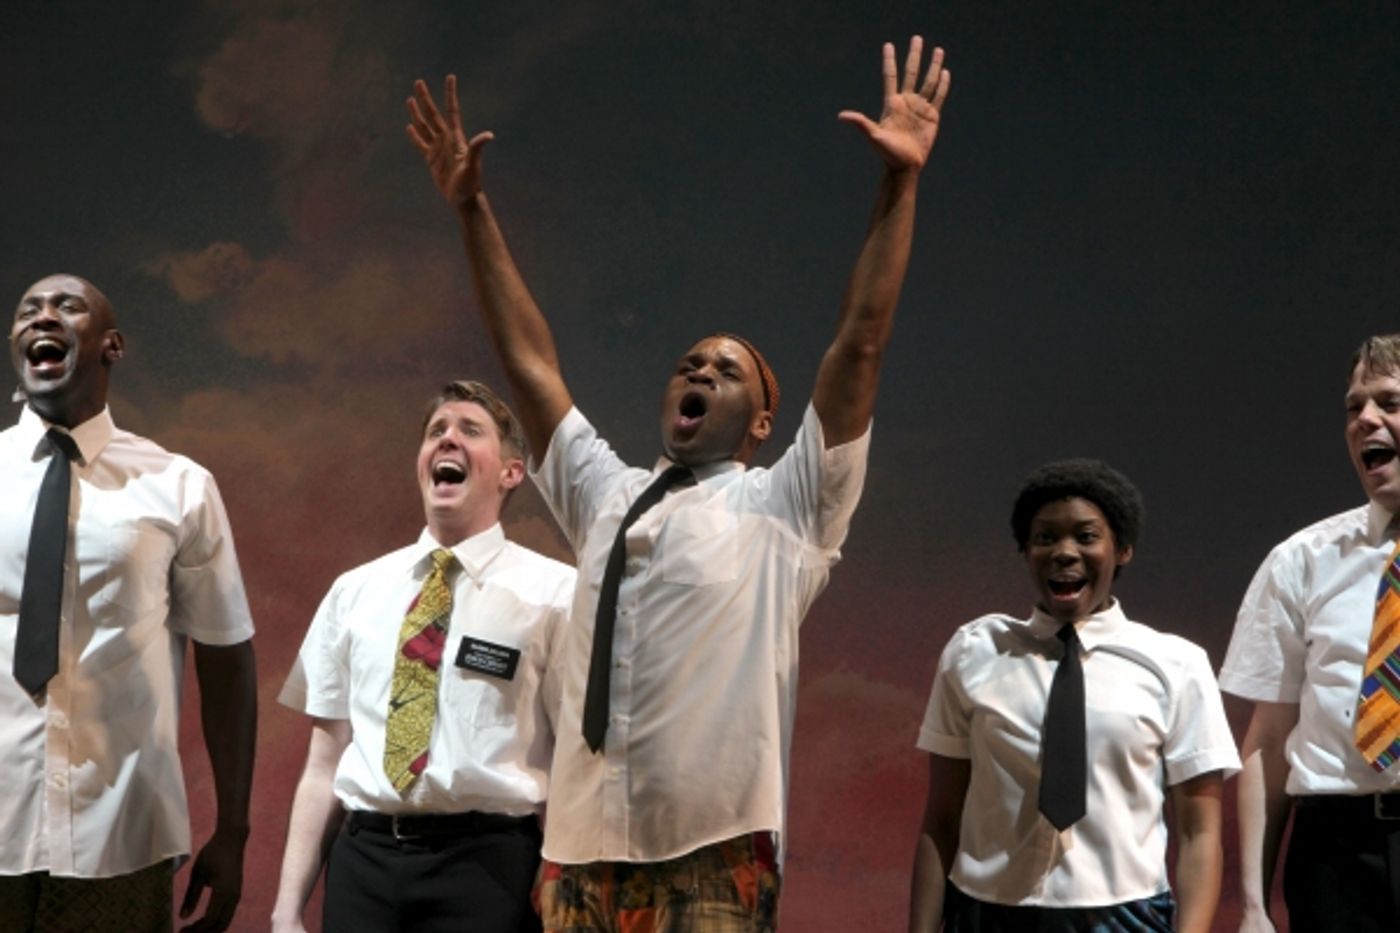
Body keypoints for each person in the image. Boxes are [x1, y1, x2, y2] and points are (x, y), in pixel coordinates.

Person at [406, 35, 949, 931]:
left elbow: (859, 343)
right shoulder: (606, 494)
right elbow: (531, 365)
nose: (698, 371)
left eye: (725, 370)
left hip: (712, 851)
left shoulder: (784, 507)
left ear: (764, 419)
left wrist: (901, 183)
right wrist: (471, 211)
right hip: (578, 851)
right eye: (689, 362)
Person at [0, 274, 257, 932]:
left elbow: (227, 661)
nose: (43, 318)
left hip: (121, 835)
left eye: (67, 307)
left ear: (110, 345)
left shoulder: (178, 486)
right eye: (28, 311)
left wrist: (232, 831)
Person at [272, 379, 575, 933]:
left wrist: (563, 889)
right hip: (364, 864)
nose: (447, 440)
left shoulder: (556, 594)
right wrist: (287, 910)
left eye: (469, 431)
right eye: (436, 431)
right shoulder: (354, 592)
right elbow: (323, 765)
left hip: (489, 869)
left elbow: (575, 760)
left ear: (510, 472)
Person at [910, 459, 1239, 932]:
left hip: (1126, 916)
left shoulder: (1176, 665)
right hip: (986, 912)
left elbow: (1199, 831)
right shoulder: (974, 652)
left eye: (1086, 536)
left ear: (1122, 548)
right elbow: (941, 819)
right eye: (1045, 537)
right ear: (1025, 549)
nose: (1065, 551)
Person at [1222, 334, 1400, 932]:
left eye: (1389, 402)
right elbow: (1268, 741)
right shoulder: (1303, 560)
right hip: (1336, 855)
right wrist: (1252, 906)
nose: (1365, 420)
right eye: (1355, 407)